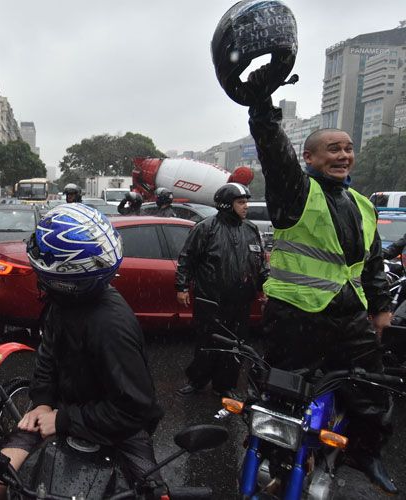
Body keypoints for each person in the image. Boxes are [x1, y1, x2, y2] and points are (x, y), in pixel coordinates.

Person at [246, 66, 396, 494]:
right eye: (333, 149)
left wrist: (381, 308)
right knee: (283, 403)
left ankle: (365, 455)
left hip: (350, 318)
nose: (343, 155)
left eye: (348, 149)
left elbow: (371, 264)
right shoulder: (295, 191)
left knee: (372, 395)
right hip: (295, 318)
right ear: (310, 158)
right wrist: (261, 107)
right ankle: (278, 467)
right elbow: (273, 152)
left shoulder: (364, 205)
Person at [0, 203, 163, 499]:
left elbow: (135, 409)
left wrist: (64, 419)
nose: (39, 277)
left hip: (117, 430)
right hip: (58, 411)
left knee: (151, 493)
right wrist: (42, 403)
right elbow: (48, 355)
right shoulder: (63, 303)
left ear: (68, 277)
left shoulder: (111, 326)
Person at [175, 183, 267, 398]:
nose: (246, 206)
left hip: (241, 301)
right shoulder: (206, 228)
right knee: (207, 342)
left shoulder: (250, 229)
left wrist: (266, 288)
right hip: (210, 300)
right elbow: (187, 259)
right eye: (241, 202)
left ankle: (225, 385)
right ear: (227, 204)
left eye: (246, 202)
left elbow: (260, 263)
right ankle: (197, 381)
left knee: (236, 346)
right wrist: (181, 287)